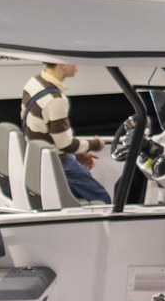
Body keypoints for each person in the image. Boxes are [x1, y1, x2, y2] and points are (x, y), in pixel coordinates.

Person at [21, 62, 110, 205]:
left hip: (41, 158)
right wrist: (96, 144)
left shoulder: (33, 82)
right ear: (61, 64)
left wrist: (76, 152)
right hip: (59, 163)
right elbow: (66, 144)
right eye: (72, 61)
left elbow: (41, 131)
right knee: (103, 200)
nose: (77, 65)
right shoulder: (55, 100)